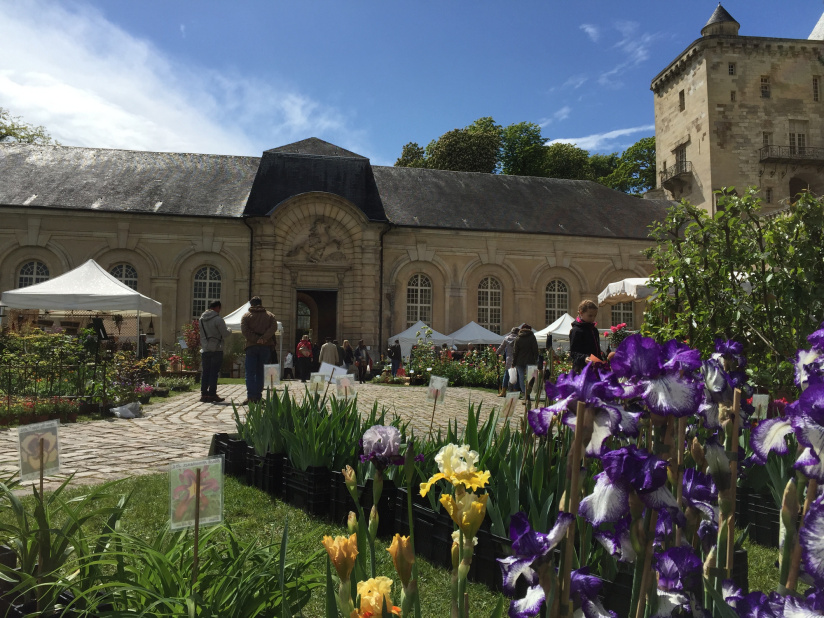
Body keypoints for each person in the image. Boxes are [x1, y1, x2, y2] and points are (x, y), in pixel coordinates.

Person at [240, 296, 278, 405]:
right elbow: (273, 328)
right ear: (261, 303)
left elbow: (245, 331)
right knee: (261, 372)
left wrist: (256, 339)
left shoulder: (246, 316)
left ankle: (251, 396)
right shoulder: (270, 316)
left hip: (251, 346)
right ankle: (258, 396)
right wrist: (263, 338)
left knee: (250, 373)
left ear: (251, 305)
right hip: (265, 347)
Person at [198, 300, 231, 403]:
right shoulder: (218, 319)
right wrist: (229, 329)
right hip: (217, 348)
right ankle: (212, 394)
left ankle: (204, 394)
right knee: (214, 372)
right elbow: (225, 334)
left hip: (205, 348)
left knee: (205, 372)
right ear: (217, 307)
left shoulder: (201, 319)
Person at [569, 299, 604, 374]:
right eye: (590, 315)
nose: (593, 318)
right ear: (581, 313)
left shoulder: (594, 330)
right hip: (582, 369)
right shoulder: (576, 330)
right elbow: (573, 353)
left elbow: (597, 350)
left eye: (595, 316)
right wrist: (584, 358)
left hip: (595, 368)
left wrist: (602, 363)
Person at [512, 323, 539, 398]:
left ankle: (524, 393)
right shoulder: (532, 337)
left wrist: (513, 363)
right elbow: (535, 350)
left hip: (519, 361)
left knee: (521, 377)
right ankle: (529, 393)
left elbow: (515, 352)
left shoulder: (518, 338)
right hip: (530, 360)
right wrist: (536, 359)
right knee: (529, 377)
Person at [496, 326, 519, 396]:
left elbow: (501, 347)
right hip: (517, 359)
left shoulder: (506, 338)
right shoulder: (518, 339)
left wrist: (497, 353)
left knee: (506, 376)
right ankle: (515, 392)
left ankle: (503, 392)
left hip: (509, 359)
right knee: (516, 376)